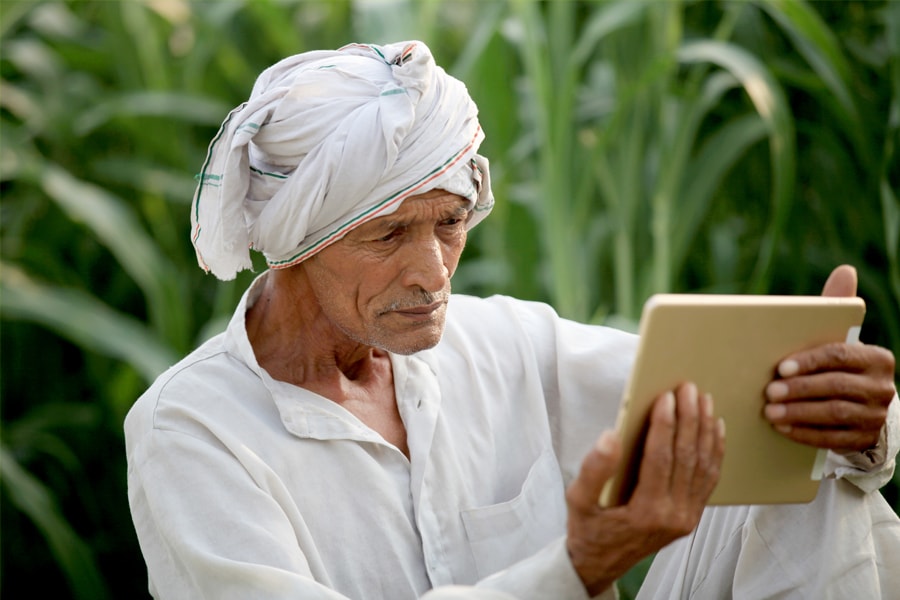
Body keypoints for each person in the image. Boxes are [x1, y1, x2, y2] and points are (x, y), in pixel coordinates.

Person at [125, 41, 899, 599]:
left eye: (451, 223)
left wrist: (841, 405)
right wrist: (578, 567)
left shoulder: (506, 343)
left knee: (814, 465)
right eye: (389, 233)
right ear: (295, 243)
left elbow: (734, 397)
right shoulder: (191, 432)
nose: (432, 273)